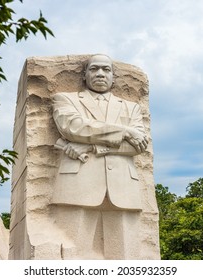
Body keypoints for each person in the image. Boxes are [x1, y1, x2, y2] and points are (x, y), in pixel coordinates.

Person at [51, 54, 148, 259]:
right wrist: (125, 132)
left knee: (126, 258)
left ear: (114, 76)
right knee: (72, 257)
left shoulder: (132, 108)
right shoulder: (65, 99)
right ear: (84, 75)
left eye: (106, 69)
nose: (100, 74)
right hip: (77, 184)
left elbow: (138, 147)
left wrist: (93, 146)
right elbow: (73, 127)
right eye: (94, 69)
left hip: (123, 187)